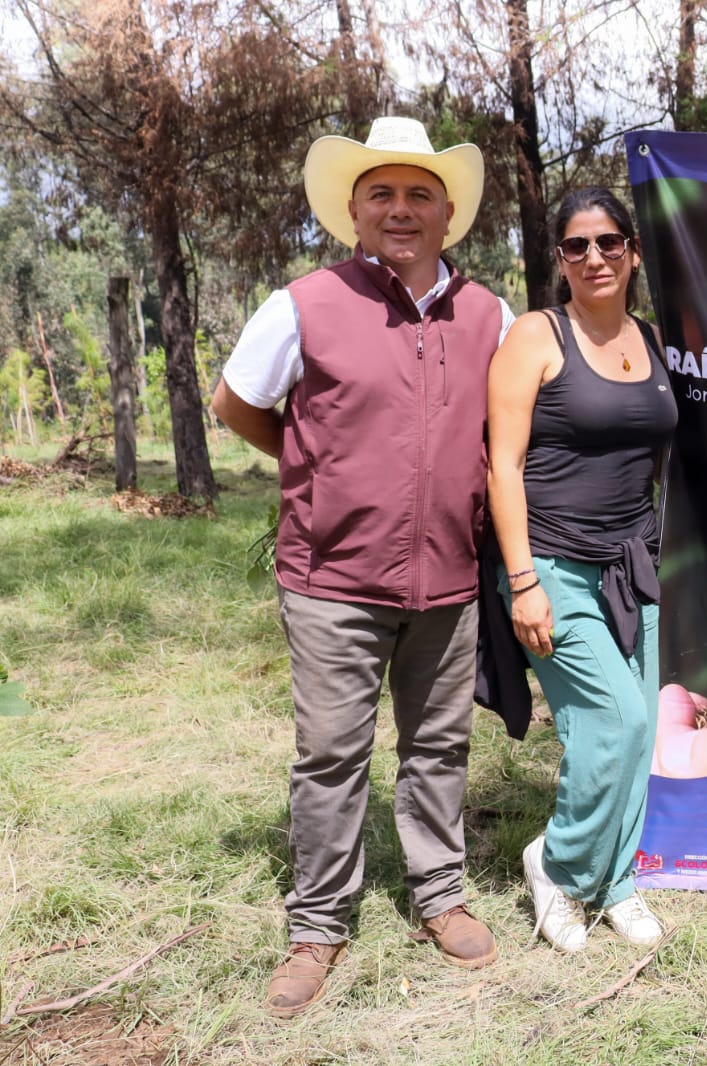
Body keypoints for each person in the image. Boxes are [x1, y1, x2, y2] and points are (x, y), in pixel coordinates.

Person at [212, 116, 515, 1018]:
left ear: (447, 212)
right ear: (352, 210)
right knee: (332, 754)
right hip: (332, 581)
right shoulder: (304, 303)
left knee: (437, 747)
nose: (401, 209)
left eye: (419, 193)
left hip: (450, 578)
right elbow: (237, 405)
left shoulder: (487, 314)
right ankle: (317, 926)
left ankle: (440, 895)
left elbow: (502, 434)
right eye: (381, 192)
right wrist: (320, 473)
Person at [486, 187, 678, 953]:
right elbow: (501, 464)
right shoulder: (536, 336)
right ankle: (557, 866)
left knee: (643, 730)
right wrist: (524, 581)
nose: (593, 256)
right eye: (576, 245)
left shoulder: (654, 340)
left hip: (633, 562)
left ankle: (618, 882)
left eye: (608, 241)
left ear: (632, 250)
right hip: (553, 564)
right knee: (613, 722)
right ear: (559, 259)